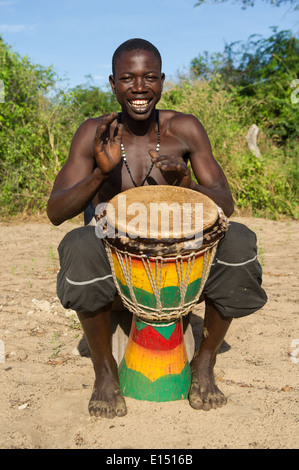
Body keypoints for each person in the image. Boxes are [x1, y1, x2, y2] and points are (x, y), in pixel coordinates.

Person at [47, 38, 267, 419]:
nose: (139, 87)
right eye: (128, 78)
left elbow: (225, 204)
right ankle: (104, 374)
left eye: (149, 77)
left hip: (180, 257)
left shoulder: (184, 128)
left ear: (162, 81)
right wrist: (100, 173)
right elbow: (55, 210)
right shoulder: (93, 133)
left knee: (241, 239)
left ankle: (204, 361)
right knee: (79, 243)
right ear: (113, 83)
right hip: (115, 257)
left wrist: (185, 184)